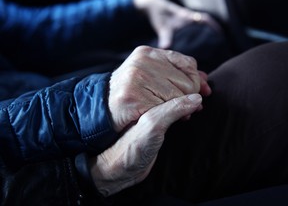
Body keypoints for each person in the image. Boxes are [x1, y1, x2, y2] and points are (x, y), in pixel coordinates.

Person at [2, 40, 288, 206]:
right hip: (54, 179)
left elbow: (30, 28)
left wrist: (136, 3)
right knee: (273, 79)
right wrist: (95, 173)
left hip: (39, 103)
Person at [0, 0, 227, 76]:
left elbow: (32, 32)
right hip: (55, 144)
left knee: (199, 39)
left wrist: (136, 4)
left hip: (41, 82)